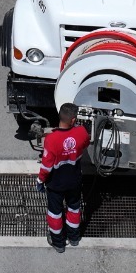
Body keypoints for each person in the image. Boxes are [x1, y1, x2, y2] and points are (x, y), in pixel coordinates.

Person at [37, 103, 90, 252]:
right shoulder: (81, 133)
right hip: (74, 181)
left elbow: (47, 166)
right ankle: (74, 238)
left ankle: (59, 243)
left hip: (56, 184)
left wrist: (40, 181)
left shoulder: (51, 139)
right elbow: (84, 144)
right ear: (73, 120)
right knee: (74, 209)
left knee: (55, 213)